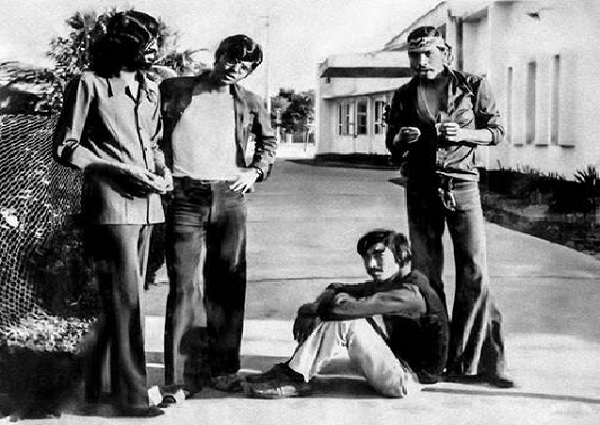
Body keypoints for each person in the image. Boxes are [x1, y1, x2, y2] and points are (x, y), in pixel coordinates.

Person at [52, 10, 171, 417]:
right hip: (111, 206)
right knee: (127, 302)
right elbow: (66, 147)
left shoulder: (150, 90)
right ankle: (132, 397)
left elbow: (154, 144)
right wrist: (118, 170)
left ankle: (96, 386)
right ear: (121, 46)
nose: (154, 52)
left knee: (122, 300)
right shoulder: (88, 84)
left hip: (148, 206)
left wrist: (163, 172)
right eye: (146, 45)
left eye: (156, 43)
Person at [384, 26, 514, 388]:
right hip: (421, 187)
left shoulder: (473, 86)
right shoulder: (404, 94)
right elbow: (391, 143)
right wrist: (400, 138)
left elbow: (496, 132)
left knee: (475, 271)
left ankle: (480, 363)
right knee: (425, 273)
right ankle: (432, 358)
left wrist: (466, 134)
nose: (421, 60)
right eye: (414, 54)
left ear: (446, 54)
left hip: (462, 185)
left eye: (428, 53)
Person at [159, 34, 277, 402]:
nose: (235, 69)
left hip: (230, 196)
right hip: (184, 195)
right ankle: (181, 377)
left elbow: (269, 142)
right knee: (184, 286)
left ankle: (224, 369)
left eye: (245, 66)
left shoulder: (250, 101)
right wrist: (160, 170)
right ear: (219, 55)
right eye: (231, 59)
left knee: (228, 284)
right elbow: (150, 131)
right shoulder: (175, 90)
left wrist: (256, 171)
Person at [243, 229, 449, 399]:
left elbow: (340, 309)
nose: (371, 265)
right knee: (343, 313)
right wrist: (315, 307)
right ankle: (293, 370)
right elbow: (336, 288)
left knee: (347, 321)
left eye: (378, 255)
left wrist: (312, 310)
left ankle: (295, 377)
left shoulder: (410, 294)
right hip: (398, 365)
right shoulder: (391, 282)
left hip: (408, 381)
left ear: (401, 256)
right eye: (366, 257)